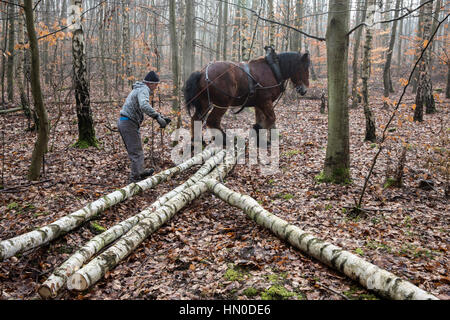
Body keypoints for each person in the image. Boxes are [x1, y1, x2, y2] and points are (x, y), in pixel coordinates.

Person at [118, 71, 171, 183]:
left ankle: (140, 172)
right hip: (128, 123)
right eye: (156, 85)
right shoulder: (144, 89)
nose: (156, 88)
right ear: (150, 83)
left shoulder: (139, 88)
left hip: (127, 122)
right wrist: (157, 116)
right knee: (136, 153)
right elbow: (144, 105)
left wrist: (161, 117)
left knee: (137, 150)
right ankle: (133, 181)